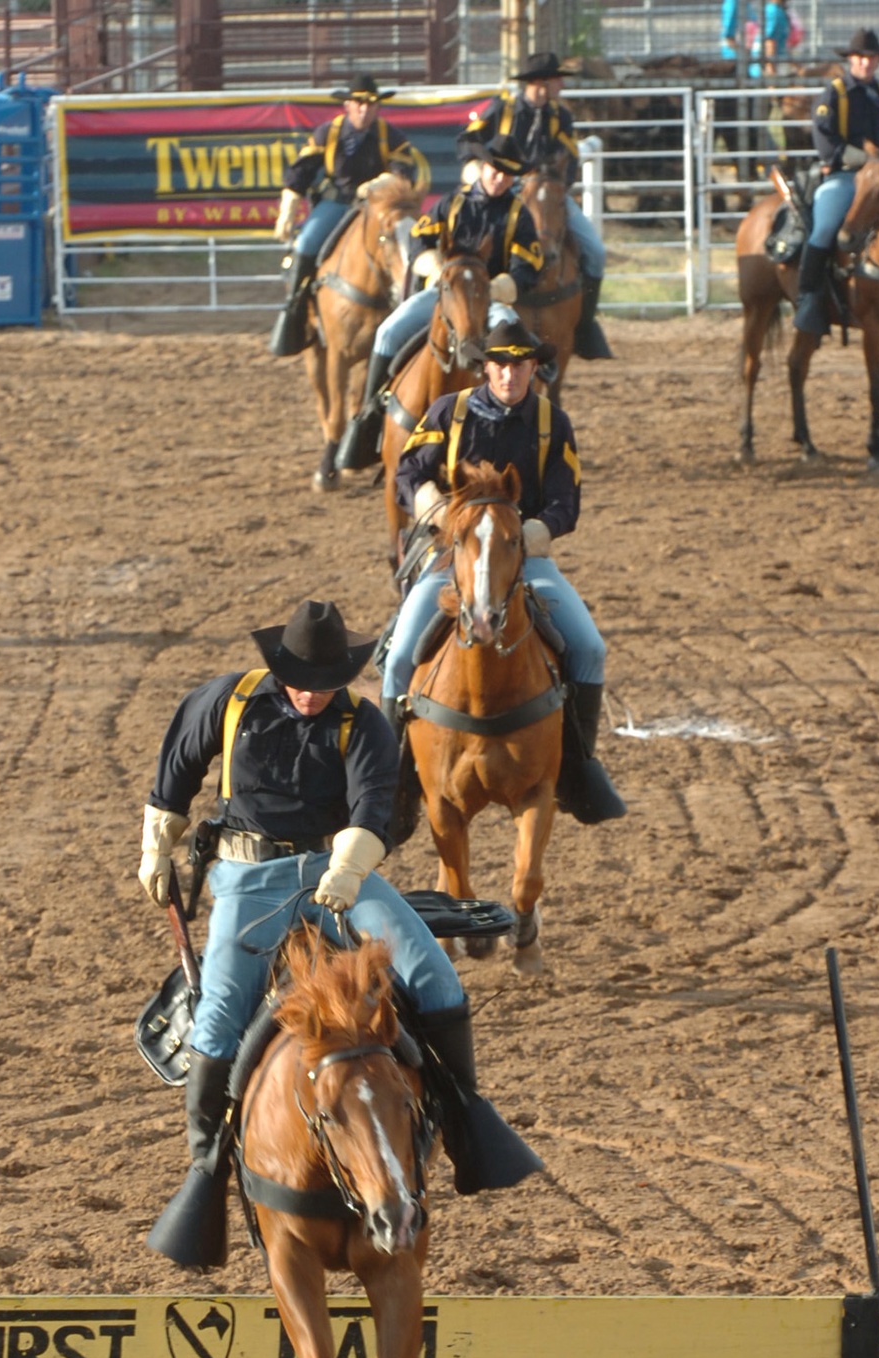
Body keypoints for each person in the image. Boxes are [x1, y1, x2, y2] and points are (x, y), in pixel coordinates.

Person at [138, 599, 540, 1262]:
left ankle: (467, 1120)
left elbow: (372, 807)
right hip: (248, 879)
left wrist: (348, 872)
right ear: (279, 666)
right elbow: (178, 767)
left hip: (338, 872)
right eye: (302, 678)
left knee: (436, 978)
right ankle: (207, 1166)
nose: (312, 692)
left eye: (326, 682)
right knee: (215, 1024)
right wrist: (158, 843)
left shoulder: (365, 724)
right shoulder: (228, 701)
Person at [380, 318, 624, 827]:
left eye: (520, 365)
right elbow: (408, 472)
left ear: (535, 368)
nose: (509, 375)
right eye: (500, 365)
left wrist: (538, 532)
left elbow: (566, 500)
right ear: (485, 368)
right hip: (452, 559)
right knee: (401, 654)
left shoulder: (551, 422)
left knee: (590, 649)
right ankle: (388, 783)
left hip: (525, 557)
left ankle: (577, 771)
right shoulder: (448, 412)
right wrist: (436, 508)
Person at [336, 131, 544, 471]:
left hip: (488, 298)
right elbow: (420, 242)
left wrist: (501, 286)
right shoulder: (451, 203)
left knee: (512, 338)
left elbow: (528, 266)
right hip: (442, 293)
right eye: (495, 169)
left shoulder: (518, 215)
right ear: (483, 167)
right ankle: (370, 414)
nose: (500, 178)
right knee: (388, 331)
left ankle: (523, 423)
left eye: (508, 173)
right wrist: (432, 265)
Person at [456, 50, 611, 361]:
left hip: (548, 193)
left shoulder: (560, 115)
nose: (561, 87)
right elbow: (468, 139)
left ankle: (584, 325)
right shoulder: (504, 108)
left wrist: (558, 187)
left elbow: (570, 159)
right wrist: (482, 165)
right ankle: (469, 320)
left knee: (595, 251)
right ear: (541, 83)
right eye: (558, 80)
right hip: (505, 189)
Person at [269, 74, 416, 358]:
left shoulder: (392, 136)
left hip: (376, 209)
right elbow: (302, 169)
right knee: (306, 244)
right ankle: (296, 309)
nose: (365, 109)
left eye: (371, 104)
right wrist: (288, 205)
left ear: (378, 107)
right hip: (335, 204)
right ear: (347, 105)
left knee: (407, 248)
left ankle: (410, 310)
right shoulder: (328, 133)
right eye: (359, 103)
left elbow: (405, 173)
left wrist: (378, 185)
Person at [794, 27, 879, 335]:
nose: (866, 63)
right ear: (851, 60)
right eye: (861, 58)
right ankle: (808, 295)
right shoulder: (834, 94)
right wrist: (864, 158)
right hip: (844, 176)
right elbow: (825, 138)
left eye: (872, 58)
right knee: (826, 225)